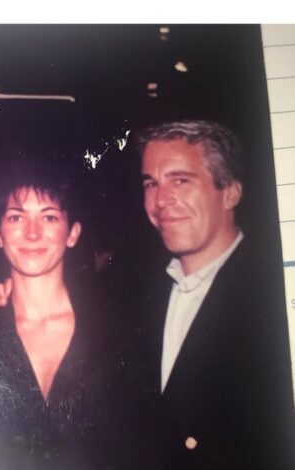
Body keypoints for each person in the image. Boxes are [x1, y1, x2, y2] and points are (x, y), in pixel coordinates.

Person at [130, 119, 295, 468]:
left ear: (230, 192)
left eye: (180, 180)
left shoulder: (275, 295)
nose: (161, 201)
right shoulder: (136, 293)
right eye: (151, 183)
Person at [0, 160, 127, 469]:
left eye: (49, 217)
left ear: (72, 233)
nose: (32, 233)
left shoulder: (116, 333)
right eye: (16, 217)